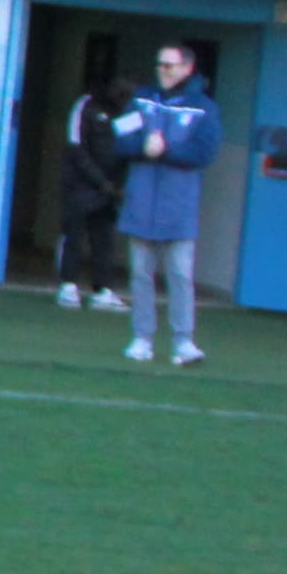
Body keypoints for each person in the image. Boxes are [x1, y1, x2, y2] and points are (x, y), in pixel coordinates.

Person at [108, 46, 218, 364]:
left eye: (170, 65)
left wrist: (166, 150)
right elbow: (121, 140)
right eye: (160, 64)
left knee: (180, 276)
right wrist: (144, 147)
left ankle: (183, 342)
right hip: (141, 203)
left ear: (187, 67)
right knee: (141, 274)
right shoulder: (141, 100)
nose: (164, 70)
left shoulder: (203, 108)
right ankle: (142, 338)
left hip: (178, 207)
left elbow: (205, 152)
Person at [55, 74, 129, 308]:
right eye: (120, 92)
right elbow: (76, 148)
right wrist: (100, 181)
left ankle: (103, 289)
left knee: (104, 238)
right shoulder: (84, 106)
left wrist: (118, 185)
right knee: (74, 235)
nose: (123, 98)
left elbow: (130, 148)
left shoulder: (128, 113)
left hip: (109, 189)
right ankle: (68, 286)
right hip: (79, 184)